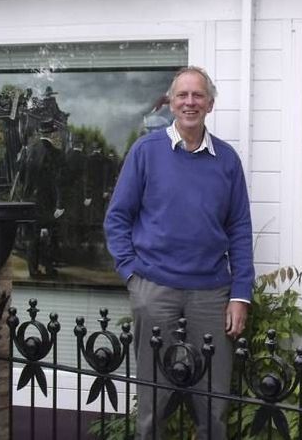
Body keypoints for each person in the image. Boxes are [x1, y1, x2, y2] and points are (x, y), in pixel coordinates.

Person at [104, 66, 254, 439]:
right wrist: (131, 275)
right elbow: (117, 217)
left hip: (211, 292)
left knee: (213, 401)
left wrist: (240, 295)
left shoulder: (227, 160)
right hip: (154, 288)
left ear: (210, 104)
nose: (190, 102)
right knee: (154, 401)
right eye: (182, 95)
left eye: (197, 95)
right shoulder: (145, 152)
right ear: (170, 103)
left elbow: (239, 230)